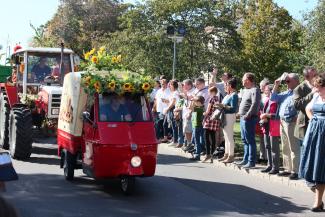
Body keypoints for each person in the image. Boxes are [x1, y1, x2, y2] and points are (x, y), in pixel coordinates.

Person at [299, 73, 325, 212]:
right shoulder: (316, 96)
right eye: (316, 87)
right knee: (315, 166)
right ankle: (318, 202)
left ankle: (318, 202)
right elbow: (308, 109)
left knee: (322, 167)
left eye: (320, 88)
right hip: (315, 134)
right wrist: (314, 120)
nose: (317, 90)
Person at [271, 73, 300, 180]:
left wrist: (297, 116)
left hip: (292, 122)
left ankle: (295, 171)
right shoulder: (287, 93)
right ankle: (288, 169)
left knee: (294, 147)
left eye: (288, 81)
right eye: (286, 81)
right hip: (282, 122)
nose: (286, 83)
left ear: (296, 81)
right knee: (285, 147)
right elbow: (273, 98)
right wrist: (276, 84)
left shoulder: (299, 92)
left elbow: (303, 106)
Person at [236, 72, 261, 168]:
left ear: (247, 80)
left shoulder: (255, 90)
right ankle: (245, 159)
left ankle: (251, 161)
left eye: (243, 80)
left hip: (249, 118)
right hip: (243, 118)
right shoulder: (247, 90)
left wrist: (247, 114)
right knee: (244, 139)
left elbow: (255, 104)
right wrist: (239, 113)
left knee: (250, 140)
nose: (242, 81)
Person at [259, 84, 281, 174]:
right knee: (267, 146)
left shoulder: (277, 101)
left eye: (267, 90)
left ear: (272, 91)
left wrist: (266, 115)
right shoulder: (268, 100)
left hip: (273, 125)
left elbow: (277, 115)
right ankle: (269, 165)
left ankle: (275, 167)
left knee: (274, 147)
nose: (265, 91)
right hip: (266, 125)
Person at [293, 66, 318, 142]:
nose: (316, 77)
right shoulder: (299, 88)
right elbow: (297, 105)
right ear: (307, 78)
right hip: (305, 125)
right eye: (314, 76)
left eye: (316, 74)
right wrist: (311, 94)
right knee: (305, 150)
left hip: (319, 122)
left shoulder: (320, 85)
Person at [218, 78, 238, 163]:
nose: (225, 87)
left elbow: (233, 109)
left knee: (229, 136)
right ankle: (226, 154)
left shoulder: (234, 95)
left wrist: (223, 106)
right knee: (225, 137)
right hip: (224, 116)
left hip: (229, 116)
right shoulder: (227, 95)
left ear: (230, 86)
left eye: (226, 85)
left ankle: (231, 155)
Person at [202, 86, 220, 163]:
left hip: (209, 119)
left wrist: (204, 115)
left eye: (209, 92)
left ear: (213, 92)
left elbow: (208, 110)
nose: (209, 94)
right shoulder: (217, 99)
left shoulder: (212, 99)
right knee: (213, 137)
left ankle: (208, 154)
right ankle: (212, 154)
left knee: (206, 136)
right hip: (215, 120)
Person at [164, 80, 180, 146]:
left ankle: (175, 141)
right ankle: (174, 139)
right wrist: (167, 102)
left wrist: (167, 109)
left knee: (174, 125)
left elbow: (173, 103)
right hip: (172, 109)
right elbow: (171, 102)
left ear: (173, 86)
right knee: (173, 126)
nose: (169, 86)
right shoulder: (173, 93)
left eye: (170, 85)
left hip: (174, 109)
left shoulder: (175, 93)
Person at [181, 79, 196, 151]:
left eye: (184, 85)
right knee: (186, 129)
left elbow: (192, 100)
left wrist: (185, 96)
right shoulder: (187, 91)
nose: (183, 86)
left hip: (191, 114)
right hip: (186, 113)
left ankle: (191, 144)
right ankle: (188, 143)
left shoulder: (194, 91)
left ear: (189, 85)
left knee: (189, 130)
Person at [189, 95, 205, 161]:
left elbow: (190, 108)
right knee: (200, 139)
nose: (194, 102)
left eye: (196, 101)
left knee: (197, 140)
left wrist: (192, 101)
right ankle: (200, 150)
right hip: (197, 125)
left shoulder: (199, 109)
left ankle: (197, 154)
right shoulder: (201, 108)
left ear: (199, 102)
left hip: (197, 126)